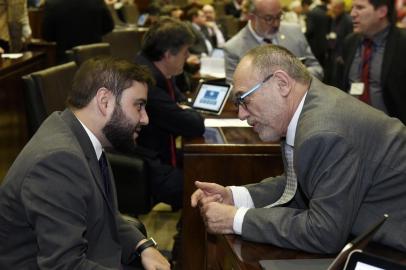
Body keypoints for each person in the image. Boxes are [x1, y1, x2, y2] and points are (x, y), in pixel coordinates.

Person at [191, 44, 406, 253]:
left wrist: (235, 219)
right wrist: (234, 197)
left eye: (244, 99)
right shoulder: (308, 109)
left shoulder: (323, 131)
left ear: (282, 83)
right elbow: (301, 184)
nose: (241, 114)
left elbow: (323, 233)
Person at [0, 56, 170, 269]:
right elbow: (65, 265)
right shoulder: (58, 161)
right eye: (139, 106)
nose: (145, 119)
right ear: (104, 101)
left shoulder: (80, 134)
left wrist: (143, 245)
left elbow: (105, 214)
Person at [135, 17, 205, 170]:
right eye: (185, 52)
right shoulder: (146, 83)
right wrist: (183, 110)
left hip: (162, 156)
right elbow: (194, 125)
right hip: (151, 169)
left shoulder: (160, 70)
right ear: (168, 55)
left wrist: (182, 108)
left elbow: (182, 100)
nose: (187, 57)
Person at [223, 0, 323, 83]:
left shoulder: (294, 32)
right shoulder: (234, 48)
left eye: (279, 16)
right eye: (269, 18)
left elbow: (317, 69)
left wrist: (298, 77)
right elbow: (235, 93)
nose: (276, 24)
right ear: (251, 16)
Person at [341, 0, 406, 124]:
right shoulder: (350, 42)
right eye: (352, 7)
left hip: (394, 134)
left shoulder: (402, 44)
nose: (353, 14)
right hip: (353, 127)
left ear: (381, 11)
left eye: (359, 8)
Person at [42, 0, 114, 63]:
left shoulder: (51, 3)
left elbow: (47, 36)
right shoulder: (97, 1)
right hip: (95, 58)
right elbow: (109, 26)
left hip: (67, 62)